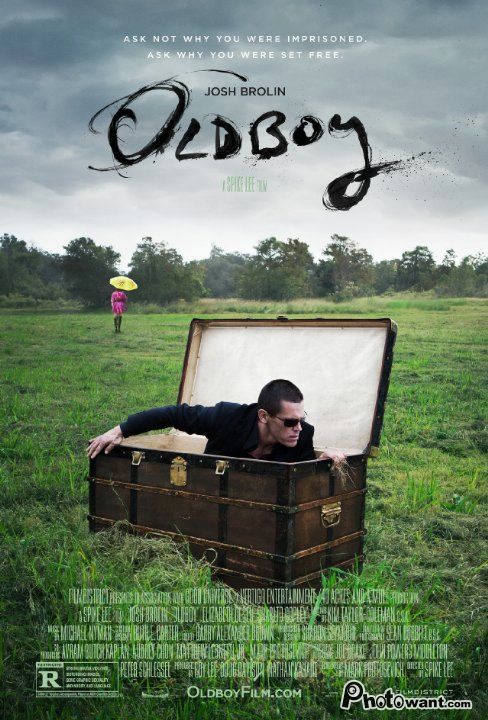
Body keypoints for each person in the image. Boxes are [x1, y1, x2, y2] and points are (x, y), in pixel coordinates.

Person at [87, 378, 346, 463]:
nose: (298, 428)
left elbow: (304, 482)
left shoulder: (304, 434)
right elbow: (172, 414)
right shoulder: (226, 418)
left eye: (301, 419)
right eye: (290, 422)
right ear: (263, 416)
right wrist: (120, 430)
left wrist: (321, 465)